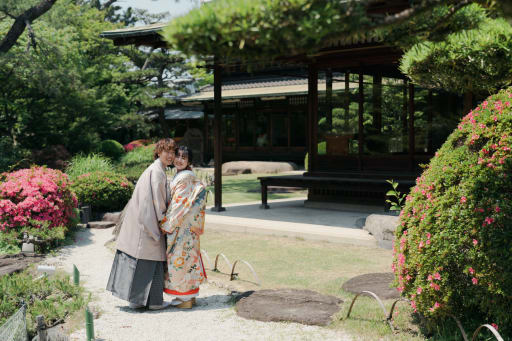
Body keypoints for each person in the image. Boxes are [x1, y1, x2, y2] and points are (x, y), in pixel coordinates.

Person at [106, 138, 176, 310]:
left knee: (140, 262)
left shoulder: (155, 169)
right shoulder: (157, 172)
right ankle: (153, 302)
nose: (170, 155)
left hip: (139, 221)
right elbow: (158, 203)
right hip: (147, 223)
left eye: (173, 152)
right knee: (149, 261)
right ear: (159, 152)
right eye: (167, 151)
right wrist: (164, 221)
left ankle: (137, 301)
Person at [160, 145, 207, 309]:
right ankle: (189, 296)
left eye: (183, 157)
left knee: (180, 261)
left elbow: (178, 205)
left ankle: (184, 298)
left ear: (189, 161)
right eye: (177, 156)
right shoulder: (184, 175)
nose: (179, 160)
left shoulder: (185, 177)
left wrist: (166, 225)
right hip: (188, 227)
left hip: (181, 228)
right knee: (188, 260)